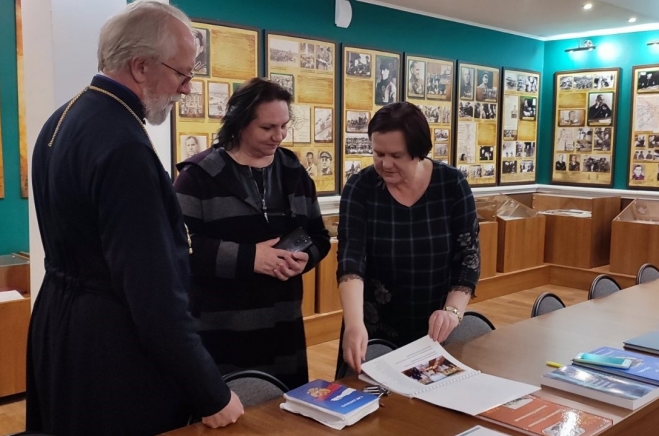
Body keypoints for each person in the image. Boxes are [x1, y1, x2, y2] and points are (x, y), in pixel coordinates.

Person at [27, 2, 243, 434]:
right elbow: (152, 294)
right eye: (182, 74)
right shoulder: (125, 146)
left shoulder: (64, 117)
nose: (186, 89)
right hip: (111, 347)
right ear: (141, 66)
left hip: (60, 325)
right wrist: (212, 392)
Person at [174, 78, 330, 389]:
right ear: (240, 123)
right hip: (221, 329)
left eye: (284, 126)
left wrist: (305, 258)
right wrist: (250, 258)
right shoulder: (197, 177)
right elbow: (179, 249)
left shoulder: (294, 172)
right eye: (267, 128)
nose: (279, 136)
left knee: (283, 406)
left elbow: (319, 237)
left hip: (283, 327)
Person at [336, 102, 480, 375]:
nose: (385, 164)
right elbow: (351, 259)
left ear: (418, 151)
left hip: (435, 328)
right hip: (373, 330)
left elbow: (467, 257)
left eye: (396, 155)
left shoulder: (451, 184)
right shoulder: (360, 187)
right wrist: (354, 324)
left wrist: (452, 311)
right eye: (378, 153)